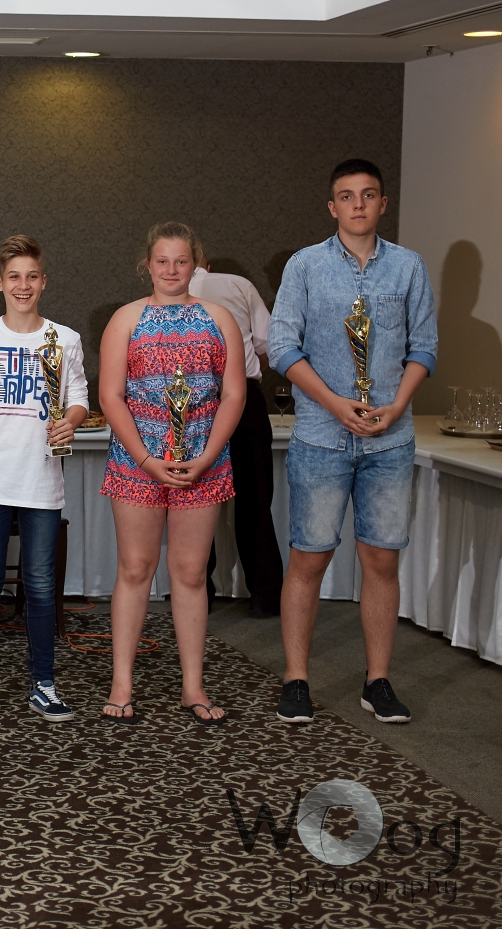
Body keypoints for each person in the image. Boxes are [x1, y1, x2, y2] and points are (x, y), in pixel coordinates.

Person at [269, 159, 437, 726]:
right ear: (332, 206)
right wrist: (336, 404)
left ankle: (378, 681)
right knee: (309, 558)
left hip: (389, 441)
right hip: (322, 436)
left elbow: (424, 347)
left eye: (368, 195)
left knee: (381, 560)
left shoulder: (408, 267)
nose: (358, 204)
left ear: (383, 204)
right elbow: (282, 347)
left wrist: (398, 404)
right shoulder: (305, 266)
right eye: (347, 196)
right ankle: (296, 679)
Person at [97, 221, 245, 725]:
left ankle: (192, 685)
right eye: (162, 261)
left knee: (189, 573)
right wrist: (145, 459)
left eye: (181, 261)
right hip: (138, 463)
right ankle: (121, 683)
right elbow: (110, 395)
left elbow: (233, 394)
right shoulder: (125, 319)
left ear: (195, 264)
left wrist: (206, 457)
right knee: (135, 569)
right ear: (148, 264)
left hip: (202, 462)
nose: (171, 270)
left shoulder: (220, 319)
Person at [0, 235, 87, 723]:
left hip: (41, 482)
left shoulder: (64, 339)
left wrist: (71, 420)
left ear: (44, 282)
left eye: (32, 276)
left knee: (41, 585)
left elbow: (79, 397)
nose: (23, 285)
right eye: (14, 277)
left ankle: (43, 684)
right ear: (0, 283)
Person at [188, 254, 284, 617]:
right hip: (244, 398)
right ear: (207, 263)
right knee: (255, 500)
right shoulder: (239, 285)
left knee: (194, 500)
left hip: (191, 400)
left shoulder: (165, 293)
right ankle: (265, 597)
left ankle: (198, 593)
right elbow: (268, 345)